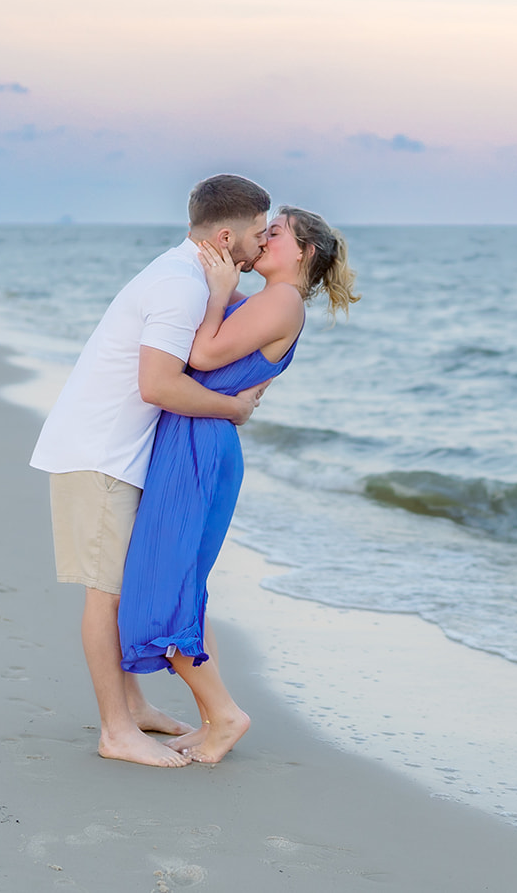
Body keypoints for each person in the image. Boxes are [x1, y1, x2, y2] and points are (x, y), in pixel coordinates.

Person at [29, 174, 273, 767]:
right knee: (106, 596)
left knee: (122, 588)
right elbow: (158, 384)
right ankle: (115, 731)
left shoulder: (190, 276)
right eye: (259, 235)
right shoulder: (179, 285)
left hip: (122, 453)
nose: (263, 245)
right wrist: (234, 407)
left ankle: (134, 708)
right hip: (99, 454)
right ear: (225, 234)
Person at [118, 206, 359, 764]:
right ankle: (211, 720)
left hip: (199, 447)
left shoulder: (281, 299)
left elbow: (202, 354)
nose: (262, 238)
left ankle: (225, 716)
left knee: (163, 590)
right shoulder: (273, 301)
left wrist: (218, 288)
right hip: (200, 439)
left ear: (303, 253)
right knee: (185, 592)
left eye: (275, 233)